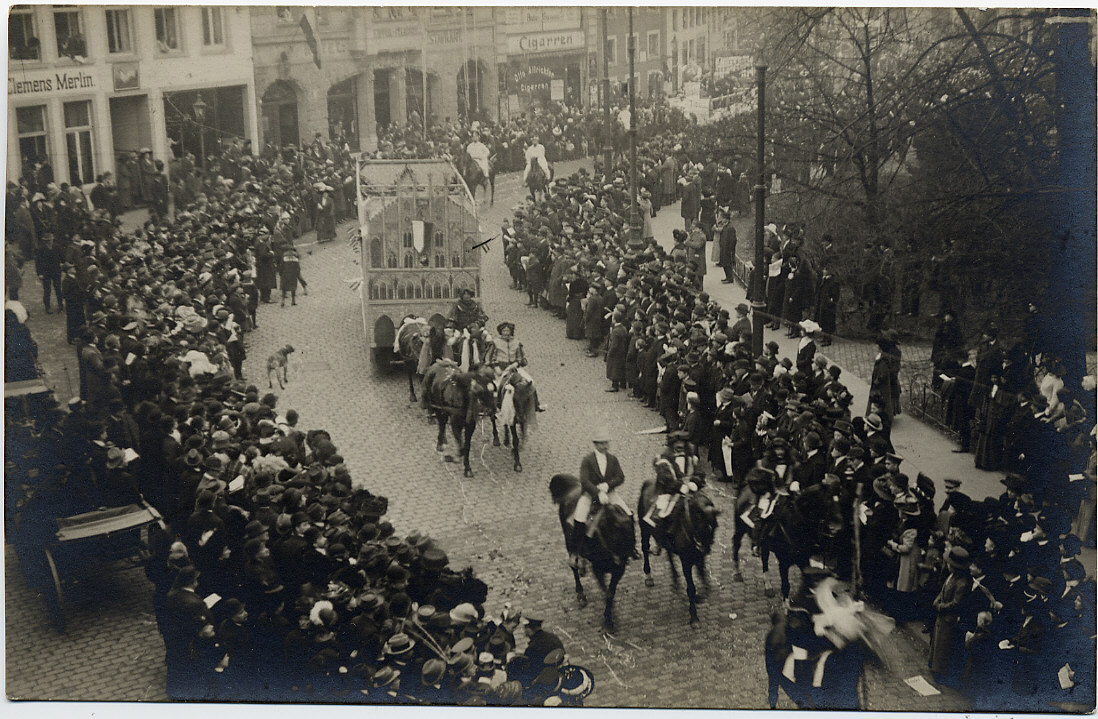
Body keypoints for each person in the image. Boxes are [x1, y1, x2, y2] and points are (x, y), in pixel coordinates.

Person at [570, 428, 629, 567]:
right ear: (595, 444)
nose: (605, 446)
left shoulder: (612, 459)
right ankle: (577, 553)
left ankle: (630, 548)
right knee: (579, 518)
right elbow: (584, 481)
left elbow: (620, 477)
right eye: (602, 443)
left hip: (610, 494)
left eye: (606, 443)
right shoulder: (587, 460)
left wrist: (608, 485)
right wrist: (597, 492)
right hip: (590, 496)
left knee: (628, 515)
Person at [644, 430, 703, 528]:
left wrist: (695, 482)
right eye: (678, 448)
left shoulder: (690, 457)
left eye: (683, 447)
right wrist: (680, 487)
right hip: (669, 490)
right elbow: (665, 479)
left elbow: (699, 472)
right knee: (663, 511)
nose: (681, 450)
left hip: (690, 488)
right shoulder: (664, 460)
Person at [716, 207, 737, 284]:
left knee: (728, 263)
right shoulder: (725, 226)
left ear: (727, 219)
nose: (722, 220)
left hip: (728, 249)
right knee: (724, 263)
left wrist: (730, 248)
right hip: (723, 247)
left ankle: (730, 278)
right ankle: (727, 277)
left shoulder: (730, 228)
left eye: (723, 218)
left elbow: (733, 240)